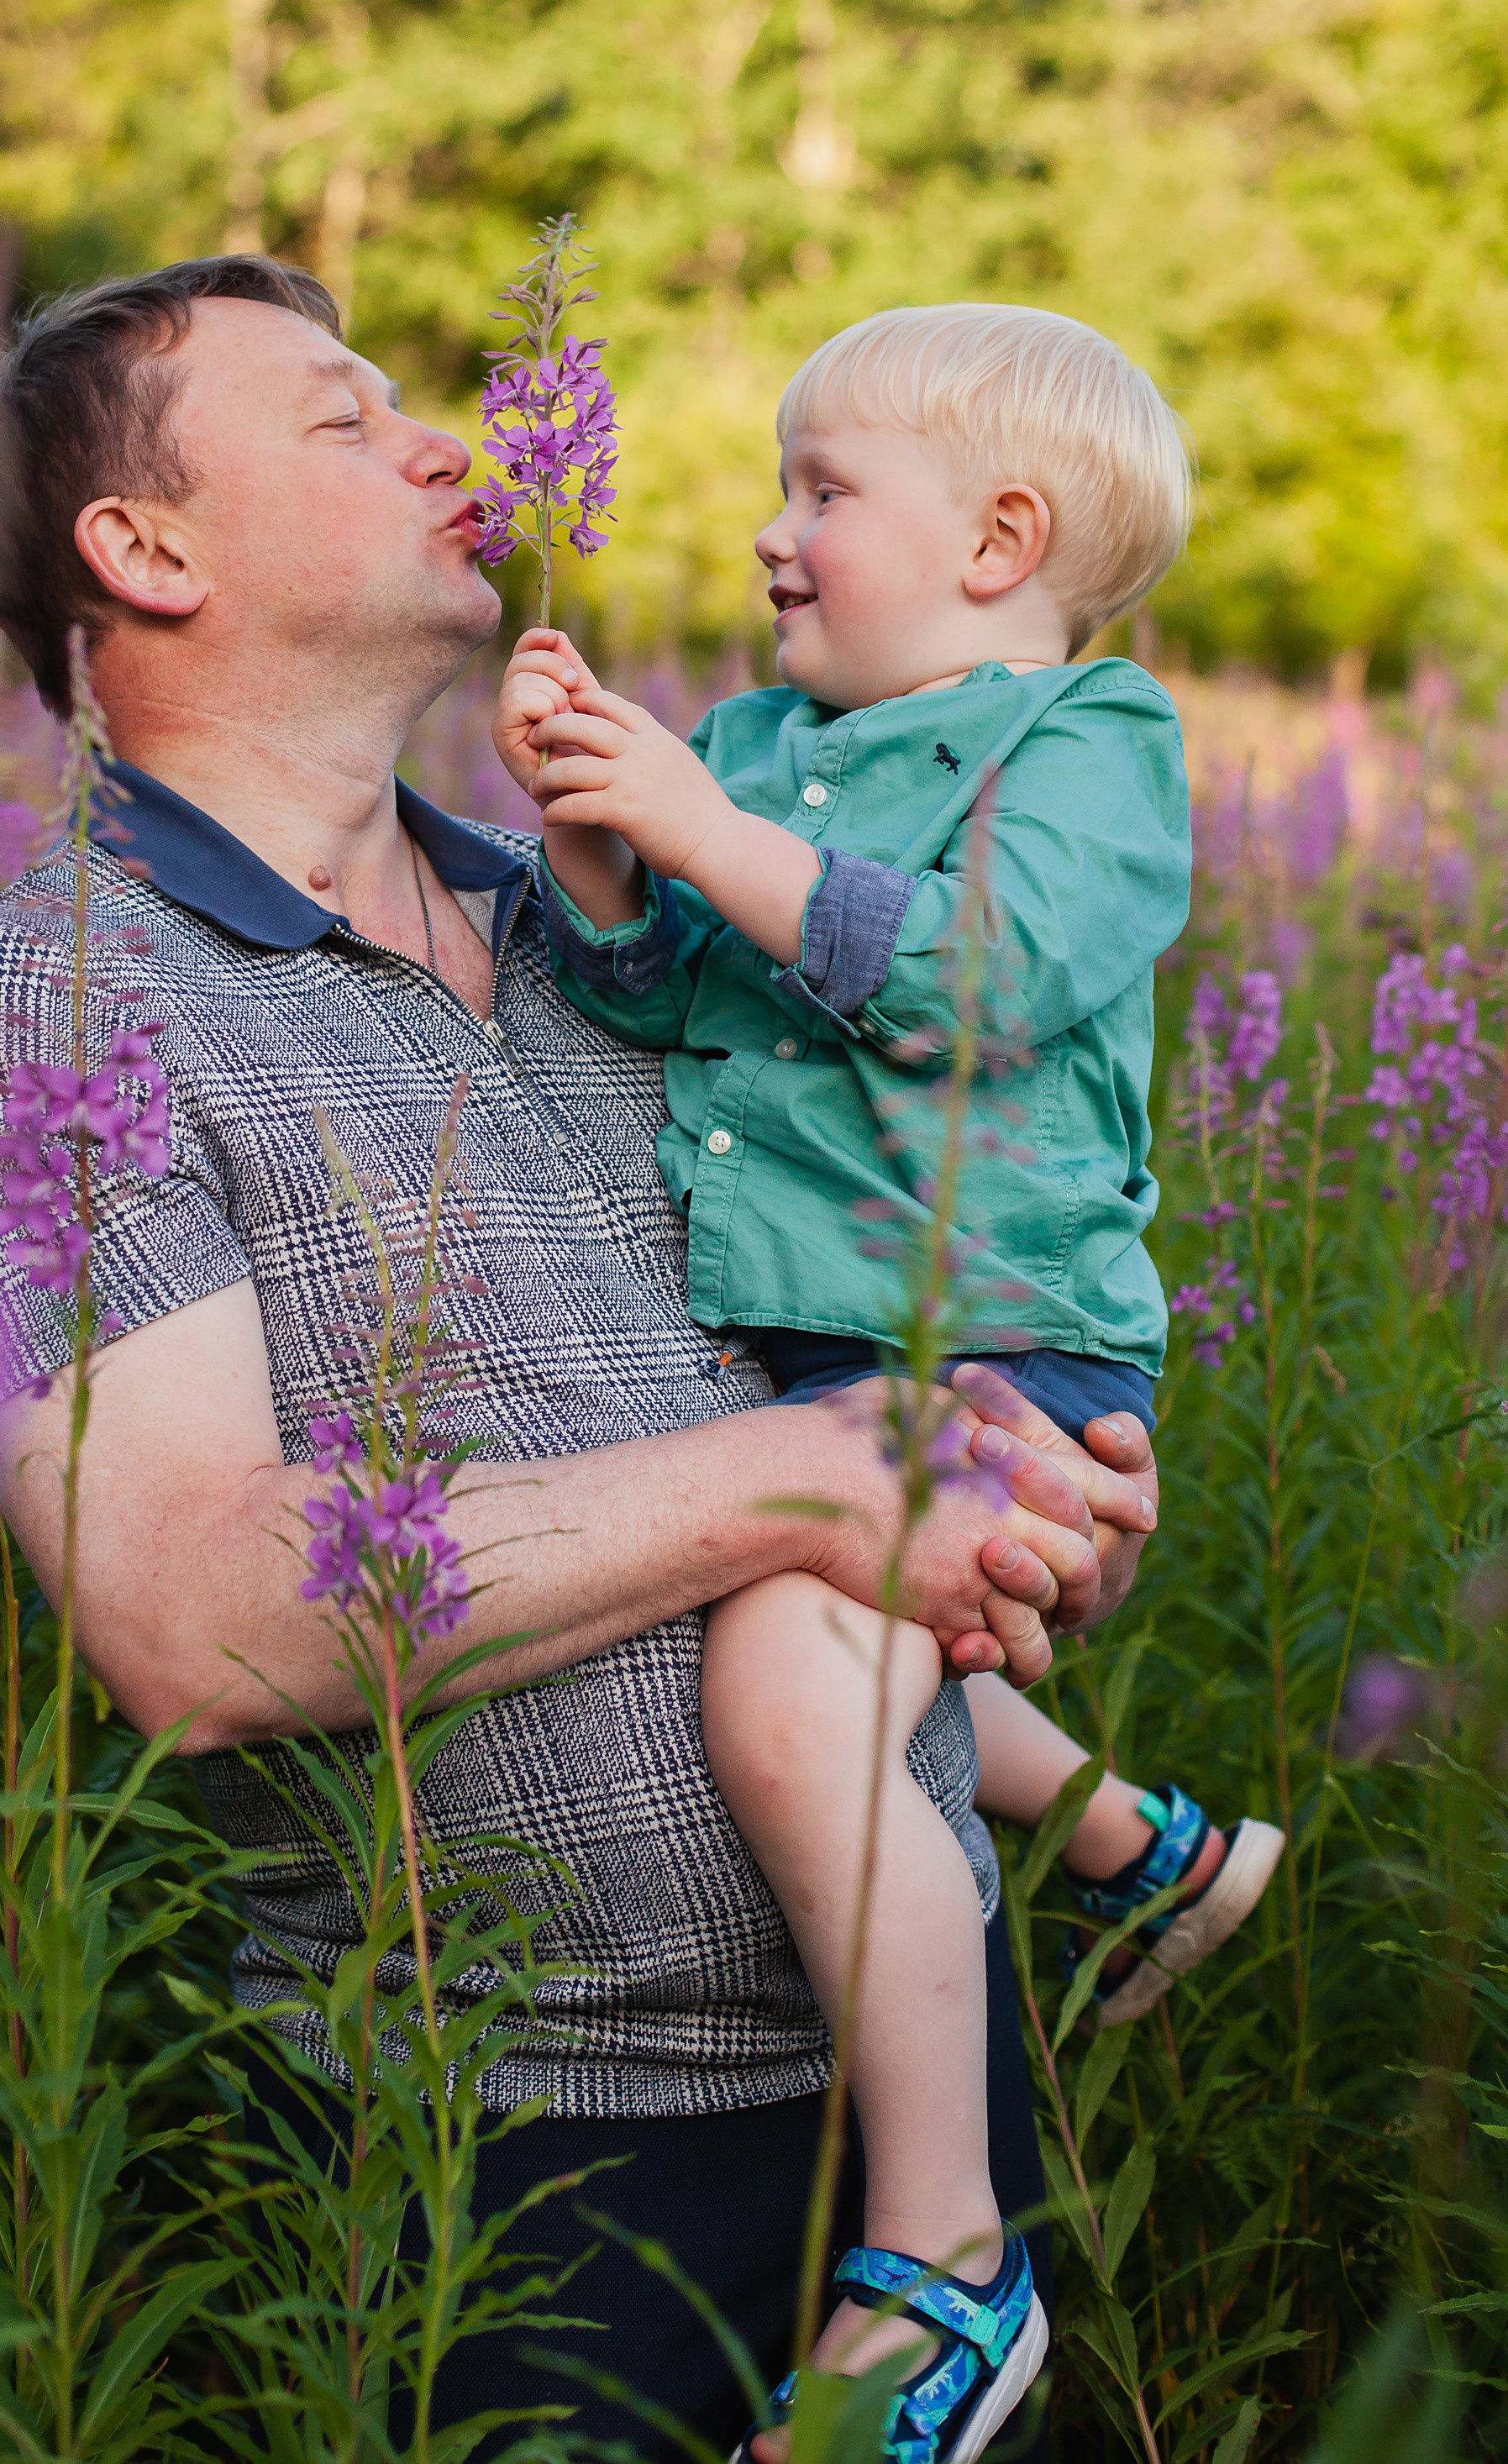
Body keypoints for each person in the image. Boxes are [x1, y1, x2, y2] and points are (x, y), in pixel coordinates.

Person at [0, 255, 1162, 2459]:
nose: (449, 445)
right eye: (346, 418)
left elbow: (951, 1286)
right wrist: (815, 1481)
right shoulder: (44, 1012)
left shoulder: (636, 927)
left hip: (932, 2064)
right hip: (522, 2169)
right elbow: (190, 1621)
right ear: (143, 547)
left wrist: (1033, 1522)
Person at [491, 303, 1285, 2461]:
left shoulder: (1085, 741)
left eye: (820, 491)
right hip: (808, 1346)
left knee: (782, 1684)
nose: (766, 534)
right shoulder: (749, 745)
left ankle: (945, 2251)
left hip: (986, 1329)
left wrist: (691, 810)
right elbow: (662, 1001)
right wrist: (600, 846)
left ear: (999, 534)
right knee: (798, 1637)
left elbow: (975, 981)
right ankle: (1145, 1843)